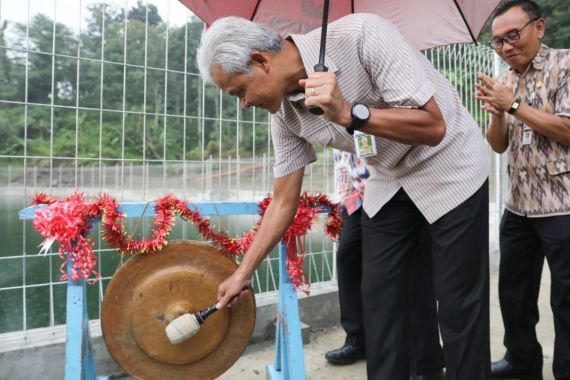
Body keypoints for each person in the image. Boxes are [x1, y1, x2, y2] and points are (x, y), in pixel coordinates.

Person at [198, 13, 490, 380]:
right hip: (390, 177)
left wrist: (348, 112)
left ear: (260, 61)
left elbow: (432, 126)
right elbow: (284, 200)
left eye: (239, 91)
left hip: (448, 163)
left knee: (457, 303)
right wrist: (243, 272)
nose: (243, 104)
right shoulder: (284, 115)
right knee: (381, 302)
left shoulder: (362, 34)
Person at [476, 1, 570, 379]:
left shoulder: (564, 65)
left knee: (566, 299)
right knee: (513, 295)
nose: (505, 47)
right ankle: (521, 361)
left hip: (562, 205)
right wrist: (498, 113)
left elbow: (567, 129)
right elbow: (498, 145)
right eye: (498, 42)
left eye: (512, 36)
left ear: (540, 28)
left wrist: (512, 104)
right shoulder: (506, 79)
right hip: (519, 205)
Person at [327, 150, 444, 380]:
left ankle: (425, 363)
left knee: (414, 274)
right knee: (348, 257)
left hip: (400, 191)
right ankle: (358, 340)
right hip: (358, 192)